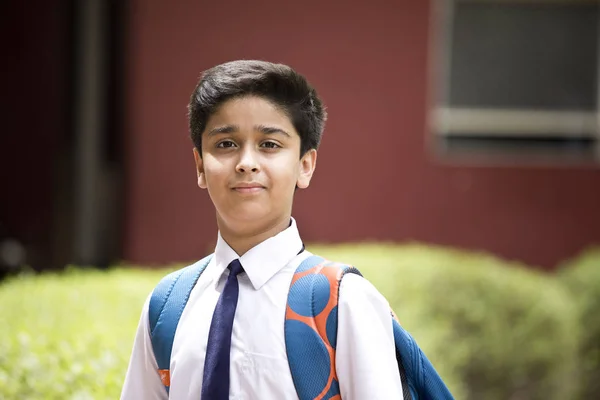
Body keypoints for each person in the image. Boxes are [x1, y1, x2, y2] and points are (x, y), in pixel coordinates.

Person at [121, 60, 404, 399]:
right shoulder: (168, 305)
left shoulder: (344, 302)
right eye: (226, 144)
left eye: (269, 144)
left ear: (305, 165)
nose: (246, 162)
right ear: (200, 165)